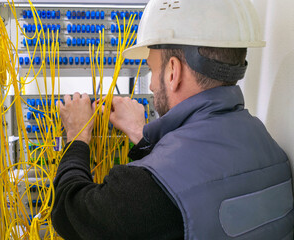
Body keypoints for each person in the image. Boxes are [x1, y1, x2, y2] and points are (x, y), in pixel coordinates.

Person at [51, 0, 294, 239]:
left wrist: (77, 135)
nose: (152, 84)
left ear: (173, 72)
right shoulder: (270, 148)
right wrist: (140, 133)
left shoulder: (143, 189)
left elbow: (67, 211)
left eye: (151, 69)